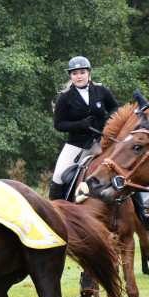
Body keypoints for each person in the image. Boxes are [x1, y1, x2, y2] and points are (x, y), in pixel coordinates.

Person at [48, 56, 119, 201]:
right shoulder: (64, 97)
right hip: (77, 144)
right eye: (75, 73)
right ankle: (55, 212)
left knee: (122, 171)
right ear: (70, 76)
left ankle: (143, 212)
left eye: (82, 72)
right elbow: (59, 124)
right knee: (58, 177)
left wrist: (108, 122)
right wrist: (79, 125)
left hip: (102, 142)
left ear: (88, 73)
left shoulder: (101, 90)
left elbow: (115, 107)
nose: (79, 76)